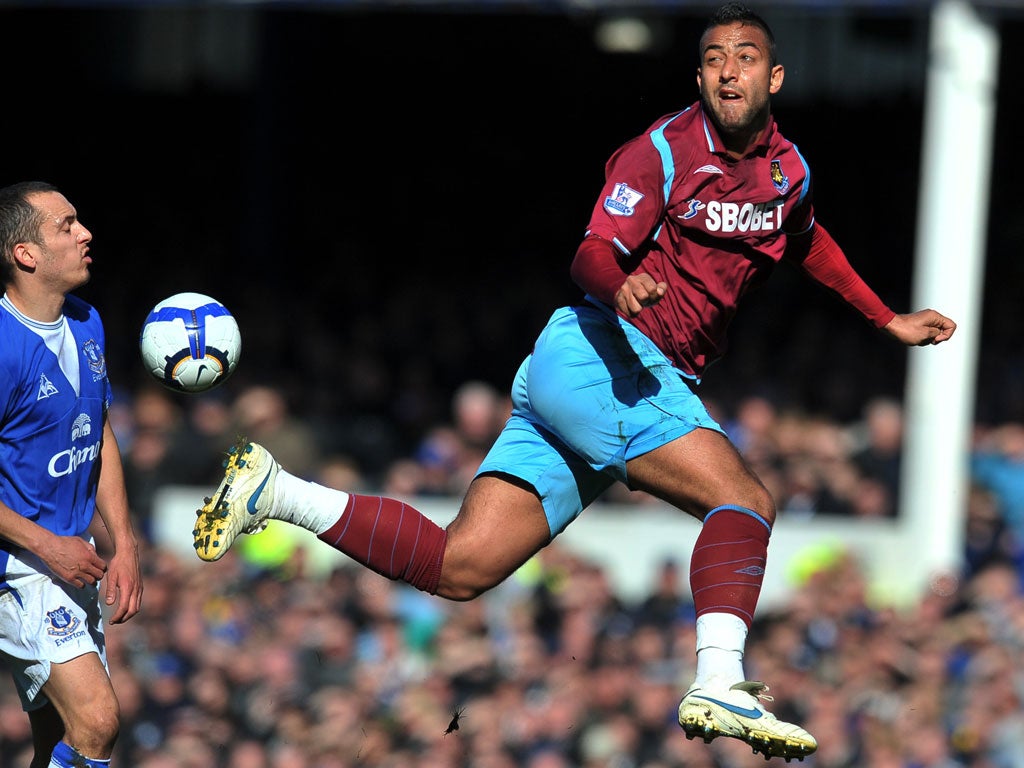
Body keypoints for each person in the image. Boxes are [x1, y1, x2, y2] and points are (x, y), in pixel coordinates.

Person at [192, 3, 955, 760]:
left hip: (597, 377)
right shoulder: (660, 151)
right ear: (698, 76)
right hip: (606, 356)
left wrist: (885, 318)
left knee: (461, 569)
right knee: (745, 498)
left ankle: (278, 491)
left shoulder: (789, 170)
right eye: (715, 57)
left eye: (746, 55)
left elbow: (806, 238)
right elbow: (592, 251)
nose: (730, 68)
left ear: (775, 75)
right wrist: (618, 284)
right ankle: (719, 677)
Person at [0, 181, 144, 767]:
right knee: (98, 721)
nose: (84, 234)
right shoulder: (3, 345)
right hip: (19, 565)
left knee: (55, 739)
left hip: (71, 555)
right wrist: (47, 547)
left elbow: (98, 430)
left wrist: (125, 542)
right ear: (25, 254)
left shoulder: (87, 322)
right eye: (66, 225)